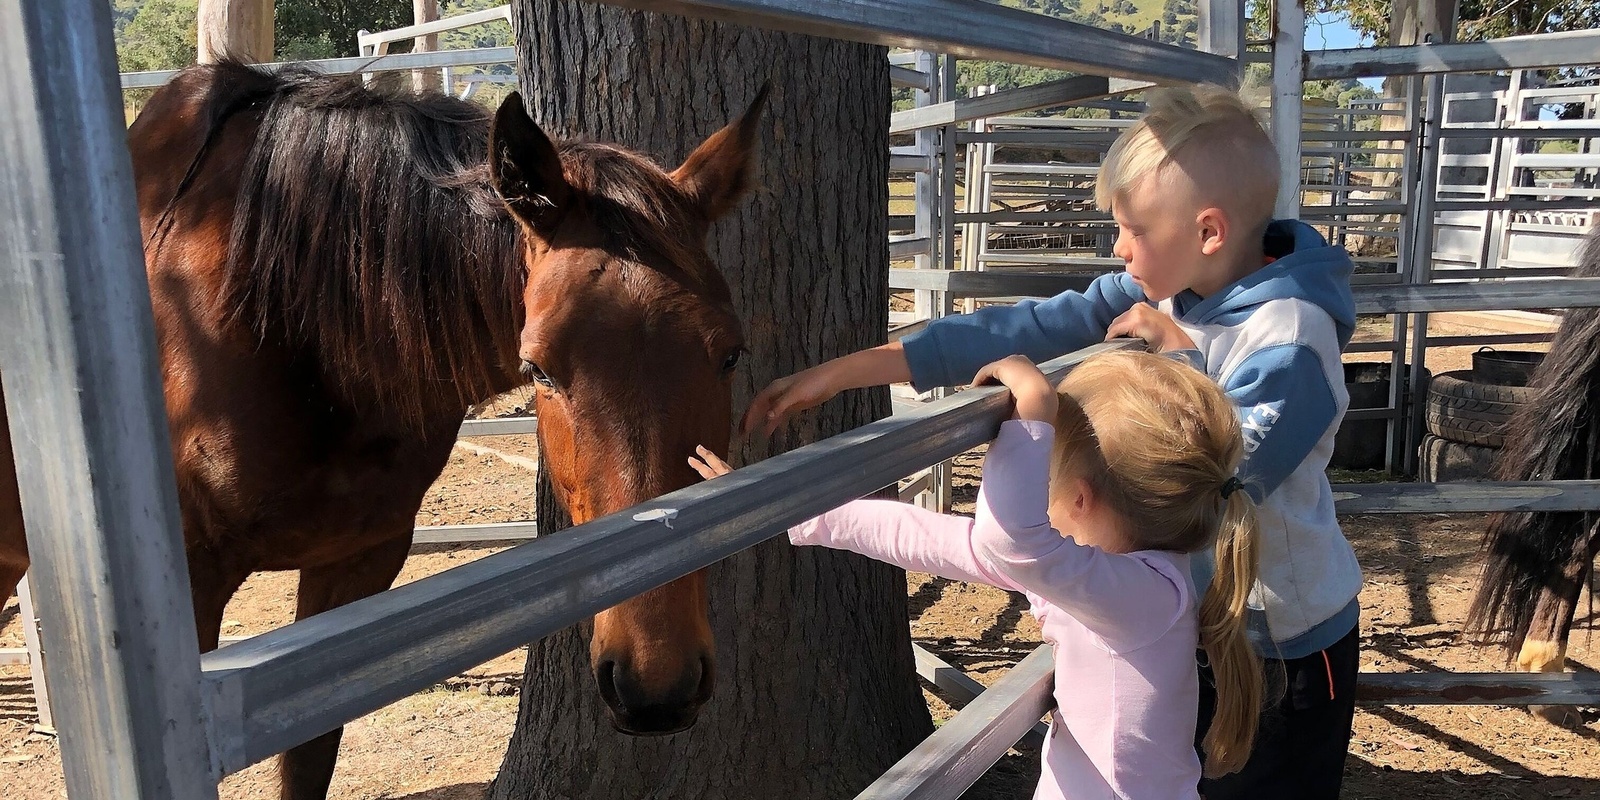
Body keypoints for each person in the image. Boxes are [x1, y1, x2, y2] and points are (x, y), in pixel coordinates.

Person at [742, 84, 1361, 798]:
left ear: (1209, 232)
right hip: (1182, 625)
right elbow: (1022, 327)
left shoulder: (1290, 336)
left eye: (1134, 229)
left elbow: (1227, 471)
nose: (1119, 247)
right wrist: (854, 369)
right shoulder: (1164, 289)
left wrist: (1184, 359)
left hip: (1282, 640)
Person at [694, 351, 1262, 798]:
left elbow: (1007, 541)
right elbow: (932, 540)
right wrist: (782, 505)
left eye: (1049, 471)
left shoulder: (1140, 595)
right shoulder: (1129, 579)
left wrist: (1033, 415)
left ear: (1082, 500)